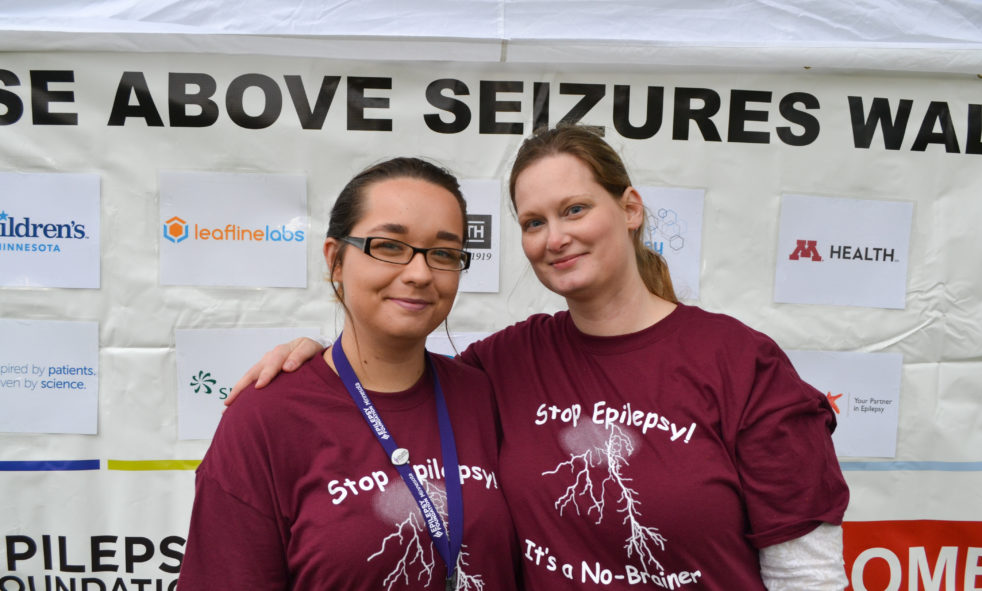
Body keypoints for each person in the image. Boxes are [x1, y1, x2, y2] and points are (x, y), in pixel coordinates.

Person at [230, 125, 850, 590]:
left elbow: (808, 575)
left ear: (629, 209)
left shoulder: (739, 361)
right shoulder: (506, 364)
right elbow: (392, 366)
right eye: (533, 222)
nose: (555, 237)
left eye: (574, 209)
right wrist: (313, 355)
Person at [179, 158, 520, 590]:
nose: (419, 273)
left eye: (443, 253)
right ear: (335, 260)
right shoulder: (264, 419)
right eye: (390, 246)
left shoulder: (483, 395)